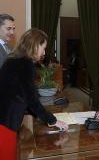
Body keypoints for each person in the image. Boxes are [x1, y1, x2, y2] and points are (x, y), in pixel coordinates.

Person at [0, 28, 68, 160]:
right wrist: (53, 120)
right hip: (6, 122)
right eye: (43, 48)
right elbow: (32, 100)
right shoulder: (26, 64)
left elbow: (22, 95)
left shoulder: (13, 60)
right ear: (35, 45)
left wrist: (41, 117)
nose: (43, 52)